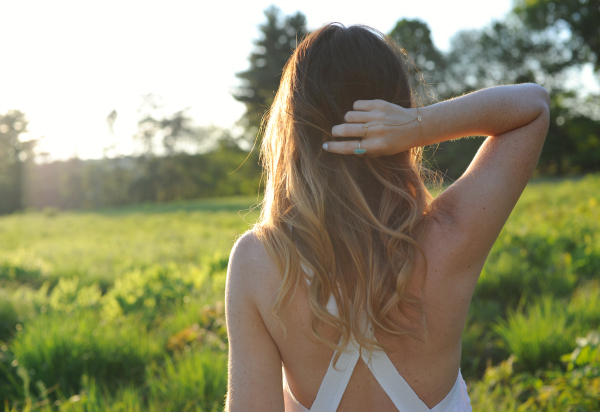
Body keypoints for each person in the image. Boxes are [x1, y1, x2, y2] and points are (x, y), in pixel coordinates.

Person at [225, 23, 550, 412]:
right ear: (396, 108)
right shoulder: (449, 236)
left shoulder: (257, 262)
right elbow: (533, 107)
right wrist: (418, 125)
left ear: (293, 126)